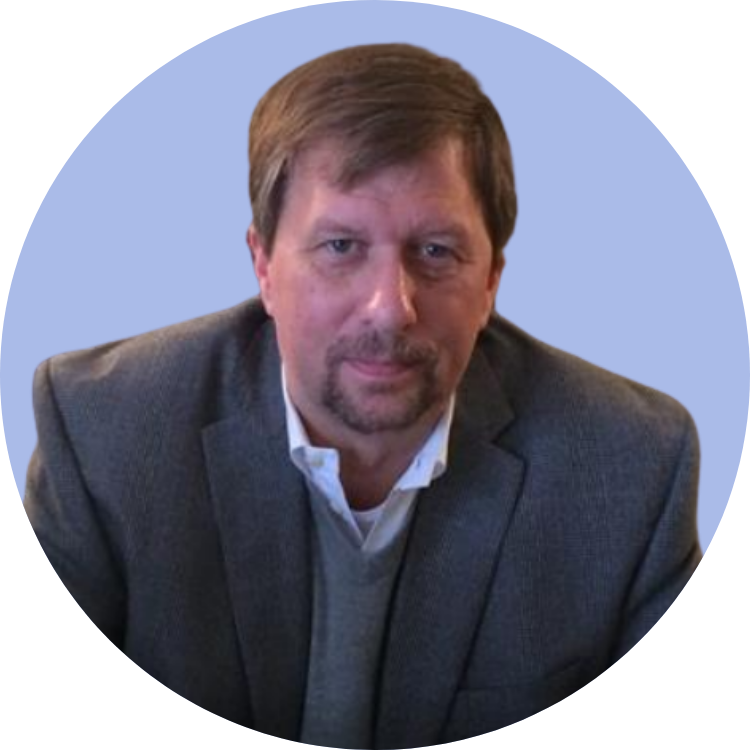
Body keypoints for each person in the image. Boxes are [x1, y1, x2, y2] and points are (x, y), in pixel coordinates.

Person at [23, 43, 702, 749]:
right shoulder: (105, 434)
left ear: (491, 281)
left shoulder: (630, 469)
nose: (390, 308)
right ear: (263, 264)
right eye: (341, 247)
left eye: (435, 251)